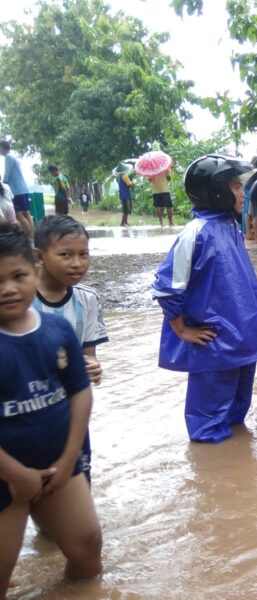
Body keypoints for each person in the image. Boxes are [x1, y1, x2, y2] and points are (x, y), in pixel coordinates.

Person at [0, 224, 103, 597]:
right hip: (5, 476)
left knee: (88, 547)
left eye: (18, 276)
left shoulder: (57, 329)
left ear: (34, 270)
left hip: (59, 463)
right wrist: (15, 474)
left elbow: (80, 393)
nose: (8, 288)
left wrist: (70, 456)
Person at [152, 154, 257, 443]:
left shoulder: (231, 226)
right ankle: (212, 475)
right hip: (214, 343)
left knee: (235, 418)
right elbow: (167, 287)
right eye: (235, 186)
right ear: (216, 191)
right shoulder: (196, 233)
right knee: (208, 428)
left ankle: (236, 474)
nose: (243, 192)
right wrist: (181, 329)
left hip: (242, 339)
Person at [33, 215, 108, 485]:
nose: (77, 263)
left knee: (77, 480)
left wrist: (93, 368)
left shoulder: (87, 300)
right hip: (30, 408)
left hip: (70, 413)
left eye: (84, 254)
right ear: (39, 257)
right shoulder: (21, 299)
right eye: (66, 254)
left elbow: (88, 361)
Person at [0, 140, 33, 240]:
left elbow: (7, 174)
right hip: (23, 189)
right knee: (26, 213)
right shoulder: (14, 158)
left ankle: (29, 238)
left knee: (19, 215)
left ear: (2, 148)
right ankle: (33, 236)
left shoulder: (8, 158)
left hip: (17, 190)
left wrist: (2, 184)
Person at [243, 155, 257, 241]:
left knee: (247, 211)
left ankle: (248, 233)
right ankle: (253, 235)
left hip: (248, 188)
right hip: (252, 189)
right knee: (252, 212)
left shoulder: (252, 168)